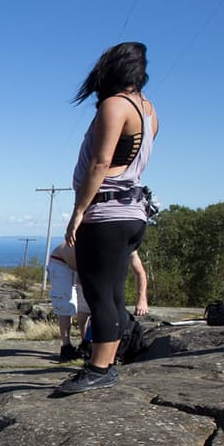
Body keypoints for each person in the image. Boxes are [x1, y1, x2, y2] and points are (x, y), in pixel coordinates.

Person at [58, 41, 158, 394]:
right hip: (132, 213)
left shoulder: (115, 105)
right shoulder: (148, 109)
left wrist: (79, 211)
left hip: (106, 213)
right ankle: (108, 361)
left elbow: (101, 164)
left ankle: (100, 369)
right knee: (114, 294)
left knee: (99, 294)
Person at [47, 241, 89, 360]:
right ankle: (66, 347)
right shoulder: (90, 245)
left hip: (79, 265)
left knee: (85, 306)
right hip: (60, 263)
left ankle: (85, 342)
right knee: (66, 304)